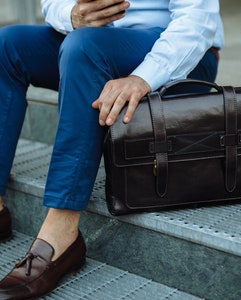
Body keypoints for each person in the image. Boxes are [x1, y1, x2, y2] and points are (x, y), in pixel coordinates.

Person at [0, 0, 224, 298]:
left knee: (84, 47)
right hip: (91, 42)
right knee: (7, 44)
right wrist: (72, 14)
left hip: (180, 51)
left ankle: (62, 230)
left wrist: (143, 77)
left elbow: (197, 20)